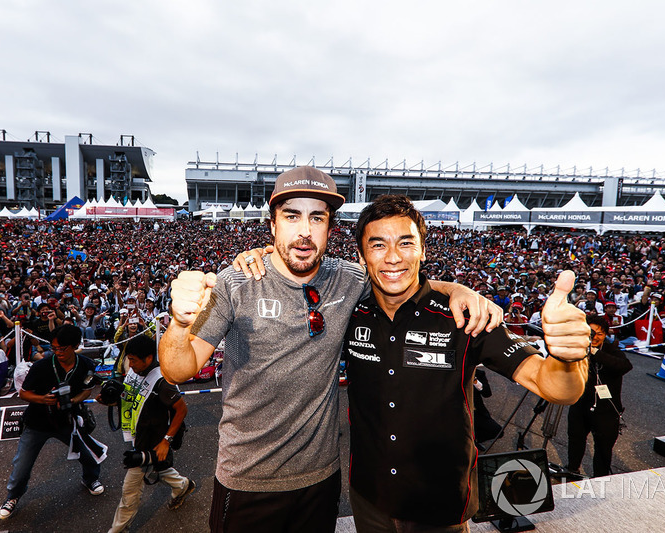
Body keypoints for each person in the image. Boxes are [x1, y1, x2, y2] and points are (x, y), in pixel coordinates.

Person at [159, 167, 503, 533]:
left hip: (321, 482)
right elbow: (178, 369)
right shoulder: (236, 282)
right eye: (291, 216)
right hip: (248, 481)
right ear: (272, 225)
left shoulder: (349, 279)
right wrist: (179, 325)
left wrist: (456, 289)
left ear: (329, 228)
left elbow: (400, 277)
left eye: (317, 218)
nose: (304, 230)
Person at [343, 195, 590, 531]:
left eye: (406, 243)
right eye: (378, 245)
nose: (393, 257)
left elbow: (556, 388)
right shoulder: (348, 311)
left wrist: (566, 357)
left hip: (440, 504)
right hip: (369, 498)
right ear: (361, 256)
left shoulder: (465, 315)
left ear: (423, 251)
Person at [0, 324, 106, 520]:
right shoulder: (42, 366)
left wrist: (72, 401)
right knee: (22, 465)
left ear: (75, 346)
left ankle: (91, 479)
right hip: (37, 422)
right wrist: (43, 399)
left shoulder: (87, 365)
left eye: (62, 348)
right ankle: (13, 497)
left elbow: (87, 390)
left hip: (68, 420)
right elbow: (23, 393)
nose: (57, 352)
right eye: (54, 348)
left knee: (88, 453)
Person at [101, 335, 195, 533]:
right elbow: (131, 397)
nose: (130, 364)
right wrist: (111, 400)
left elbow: (182, 410)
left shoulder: (163, 380)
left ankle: (118, 529)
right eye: (129, 359)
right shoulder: (137, 371)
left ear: (149, 358)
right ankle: (182, 486)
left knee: (130, 491)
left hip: (153, 441)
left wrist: (166, 442)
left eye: (134, 360)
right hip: (139, 436)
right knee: (158, 469)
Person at [566, 316, 632, 478]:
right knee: (575, 438)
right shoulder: (577, 348)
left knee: (603, 447)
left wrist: (595, 353)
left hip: (606, 408)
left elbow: (625, 366)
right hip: (580, 403)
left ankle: (599, 478)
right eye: (591, 333)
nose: (595, 337)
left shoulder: (611, 349)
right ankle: (572, 469)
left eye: (600, 334)